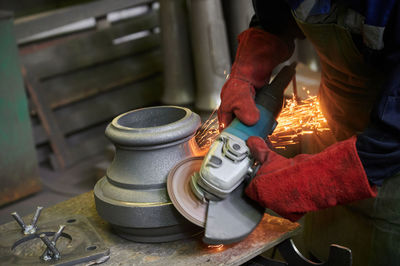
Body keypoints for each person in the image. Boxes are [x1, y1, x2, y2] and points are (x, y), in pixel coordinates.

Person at [217, 1, 400, 265]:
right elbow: (275, 16)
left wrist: (311, 182)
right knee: (322, 243)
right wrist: (249, 65)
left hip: (390, 159)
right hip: (334, 123)